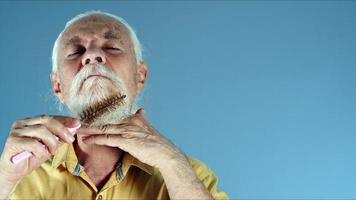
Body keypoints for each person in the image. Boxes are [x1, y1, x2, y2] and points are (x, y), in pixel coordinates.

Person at [0, 11, 228, 199]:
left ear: (140, 76)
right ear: (58, 86)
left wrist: (171, 161)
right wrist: (4, 178)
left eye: (112, 48)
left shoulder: (189, 175)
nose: (92, 55)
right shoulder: (18, 175)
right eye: (75, 51)